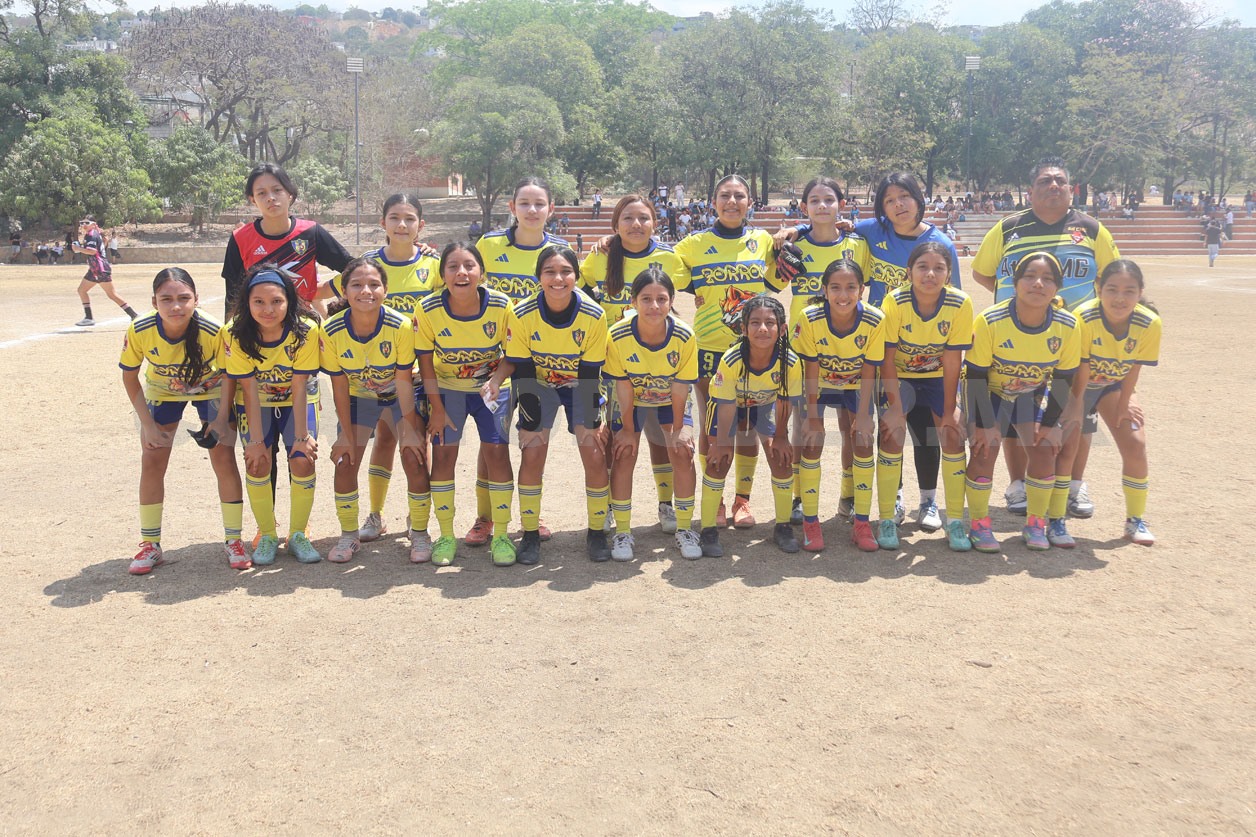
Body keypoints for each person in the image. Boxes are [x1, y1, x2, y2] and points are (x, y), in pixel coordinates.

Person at [971, 156, 1119, 519]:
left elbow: (1111, 278)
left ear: (1071, 189)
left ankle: (1073, 485)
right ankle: (1018, 485)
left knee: (1077, 414)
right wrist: (1024, 305)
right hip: (1016, 340)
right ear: (1030, 190)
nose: (1054, 186)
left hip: (1074, 342)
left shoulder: (1092, 230)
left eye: (1060, 181)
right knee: (1013, 410)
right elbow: (983, 273)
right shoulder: (1008, 228)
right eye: (1045, 181)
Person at [484, 245, 610, 565]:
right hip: (538, 384)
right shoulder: (521, 313)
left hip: (579, 384)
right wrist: (530, 423)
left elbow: (590, 373)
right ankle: (529, 533)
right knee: (533, 451)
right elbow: (523, 370)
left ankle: (597, 531)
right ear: (538, 276)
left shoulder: (593, 314)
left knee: (593, 452)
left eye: (566, 272)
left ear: (576, 276)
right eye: (549, 272)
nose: (558, 278)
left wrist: (591, 422)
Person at [326, 193, 440, 544]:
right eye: (394, 217)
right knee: (382, 441)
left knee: (413, 447)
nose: (402, 224)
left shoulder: (435, 264)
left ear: (421, 225)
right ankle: (375, 514)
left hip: (413, 373)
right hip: (368, 372)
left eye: (409, 218)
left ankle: (417, 520)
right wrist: (322, 322)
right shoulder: (367, 264)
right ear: (383, 223)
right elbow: (319, 293)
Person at [674, 173, 785, 530]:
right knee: (712, 429)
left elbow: (777, 280)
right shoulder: (692, 244)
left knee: (748, 427)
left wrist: (791, 235)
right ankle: (716, 499)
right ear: (713, 202)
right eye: (725, 195)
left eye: (739, 196)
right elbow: (658, 265)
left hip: (754, 349)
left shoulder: (762, 241)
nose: (732, 202)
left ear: (750, 203)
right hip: (709, 348)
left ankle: (742, 500)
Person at [119, 268, 247, 575]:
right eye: (166, 299)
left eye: (183, 298)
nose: (176, 306)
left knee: (224, 458)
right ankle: (150, 545)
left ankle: (234, 540)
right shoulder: (140, 329)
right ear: (154, 302)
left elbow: (230, 374)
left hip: (211, 389)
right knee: (152, 460)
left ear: (196, 300)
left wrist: (220, 418)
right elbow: (129, 377)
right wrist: (148, 425)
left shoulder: (213, 330)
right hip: (163, 391)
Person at [581, 195, 691, 535]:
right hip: (611, 364)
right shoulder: (600, 257)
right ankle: (611, 506)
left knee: (661, 438)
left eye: (644, 217)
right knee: (616, 439)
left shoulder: (670, 258)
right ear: (615, 224)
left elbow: (698, 287)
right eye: (627, 218)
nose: (636, 224)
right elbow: (579, 294)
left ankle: (665, 504)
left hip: (657, 362)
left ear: (655, 222)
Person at [964, 252, 1087, 552]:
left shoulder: (1068, 325)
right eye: (1030, 276)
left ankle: (1035, 524)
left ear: (1057, 287)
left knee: (1045, 449)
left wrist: (1050, 425)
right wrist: (984, 425)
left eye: (1047, 279)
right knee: (984, 449)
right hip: (989, 392)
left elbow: (1063, 379)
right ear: (1015, 282)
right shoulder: (991, 320)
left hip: (1030, 395)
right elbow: (976, 376)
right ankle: (979, 525)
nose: (1038, 284)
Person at [470, 177, 566, 545]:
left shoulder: (559, 250)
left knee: (534, 442)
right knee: (491, 443)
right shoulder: (490, 245)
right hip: (496, 363)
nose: (532, 210)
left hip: (540, 366)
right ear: (512, 207)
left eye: (539, 204)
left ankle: (530, 513)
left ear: (550, 209)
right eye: (524, 203)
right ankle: (485, 518)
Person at [320, 257, 430, 564]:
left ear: (386, 290)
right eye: (356, 285)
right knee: (345, 460)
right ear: (344, 291)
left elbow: (404, 380)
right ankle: (349, 535)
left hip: (399, 395)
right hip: (360, 397)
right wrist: (344, 434)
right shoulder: (331, 330)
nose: (365, 291)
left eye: (374, 284)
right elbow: (339, 386)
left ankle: (420, 531)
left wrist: (410, 429)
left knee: (414, 455)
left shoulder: (400, 326)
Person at [417, 242, 517, 567]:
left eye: (469, 266)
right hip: (447, 391)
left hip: (491, 391)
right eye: (453, 267)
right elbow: (425, 363)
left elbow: (513, 355)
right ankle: (446, 535)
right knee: (444, 456)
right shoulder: (428, 309)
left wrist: (496, 380)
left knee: (497, 454)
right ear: (443, 274)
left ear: (481, 273)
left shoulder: (501, 305)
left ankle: (500, 535)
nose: (461, 272)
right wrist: (437, 408)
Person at [215, 266, 322, 566]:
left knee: (302, 458)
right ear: (247, 303)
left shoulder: (305, 330)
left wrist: (301, 437)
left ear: (289, 301)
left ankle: (298, 534)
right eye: (259, 302)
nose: (268, 309)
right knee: (257, 460)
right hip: (256, 401)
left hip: (295, 400)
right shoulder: (234, 332)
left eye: (277, 301)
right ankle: (268, 534)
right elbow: (248, 388)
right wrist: (256, 442)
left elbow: (299, 384)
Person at [779, 176, 871, 523]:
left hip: (849, 349)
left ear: (841, 205)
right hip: (805, 349)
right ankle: (800, 497)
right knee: (804, 426)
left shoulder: (856, 245)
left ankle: (848, 495)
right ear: (804, 207)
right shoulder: (793, 244)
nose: (822, 206)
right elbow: (772, 279)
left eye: (829, 200)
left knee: (851, 426)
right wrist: (788, 237)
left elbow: (864, 289)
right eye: (814, 201)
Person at [878, 242, 974, 552]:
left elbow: (953, 359)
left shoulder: (960, 303)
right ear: (909, 272)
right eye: (923, 267)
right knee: (891, 433)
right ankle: (887, 516)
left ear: (948, 274)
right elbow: (887, 358)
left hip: (936, 377)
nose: (930, 274)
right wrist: (895, 407)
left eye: (938, 268)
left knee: (952, 434)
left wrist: (949, 409)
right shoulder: (895, 301)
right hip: (900, 376)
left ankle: (948, 516)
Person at [605, 267, 701, 561]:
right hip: (631, 399)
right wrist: (627, 430)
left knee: (682, 451)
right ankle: (623, 531)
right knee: (624, 452)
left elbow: (680, 388)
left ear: (672, 301)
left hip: (668, 398)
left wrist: (679, 430)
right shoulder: (617, 335)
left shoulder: (684, 335)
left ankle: (684, 528)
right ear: (633, 301)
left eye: (662, 299)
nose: (654, 306)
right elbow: (623, 386)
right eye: (646, 299)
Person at [791, 258, 884, 552]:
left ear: (862, 290)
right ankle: (810, 521)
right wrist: (813, 417)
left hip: (855, 384)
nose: (843, 295)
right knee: (812, 441)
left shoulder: (874, 320)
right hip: (817, 384)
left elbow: (869, 369)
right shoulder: (810, 318)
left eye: (851, 287)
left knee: (862, 440)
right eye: (835, 288)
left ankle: (861, 522)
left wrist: (864, 414)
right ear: (824, 290)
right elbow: (810, 369)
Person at [698, 296, 801, 558]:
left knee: (781, 458)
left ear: (782, 329)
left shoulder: (790, 362)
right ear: (743, 329)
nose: (762, 328)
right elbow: (725, 405)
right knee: (719, 461)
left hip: (763, 405)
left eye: (770, 323)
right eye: (755, 323)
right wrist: (722, 442)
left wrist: (780, 436)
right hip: (727, 406)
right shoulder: (732, 359)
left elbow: (785, 400)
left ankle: (782, 527)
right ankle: (708, 529)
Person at [1075, 260, 1161, 545]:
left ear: (1140, 292)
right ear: (1098, 288)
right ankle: (1056, 509)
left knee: (1135, 443)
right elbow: (1080, 368)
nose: (1120, 298)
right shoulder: (1083, 317)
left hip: (1112, 385)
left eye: (1129, 291)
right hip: (1074, 384)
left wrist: (1125, 403)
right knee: (1066, 442)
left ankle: (1135, 519)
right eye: (1112, 289)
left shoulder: (1149, 322)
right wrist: (1077, 407)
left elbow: (1135, 367)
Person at [222, 163, 352, 316]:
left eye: (277, 190)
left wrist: (340, 305)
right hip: (258, 326)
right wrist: (232, 329)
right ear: (253, 200)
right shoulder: (240, 238)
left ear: (290, 193)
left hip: (302, 325)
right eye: (261, 193)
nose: (271, 198)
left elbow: (352, 268)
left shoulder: (311, 232)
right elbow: (232, 297)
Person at [72, 216, 138, 327]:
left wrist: (78, 249)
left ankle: (134, 315)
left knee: (111, 294)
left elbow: (92, 251)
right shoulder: (93, 234)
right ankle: (88, 318)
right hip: (95, 268)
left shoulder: (91, 235)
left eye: (87, 223)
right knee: (82, 290)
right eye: (82, 223)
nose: (83, 225)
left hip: (99, 268)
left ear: (93, 224)